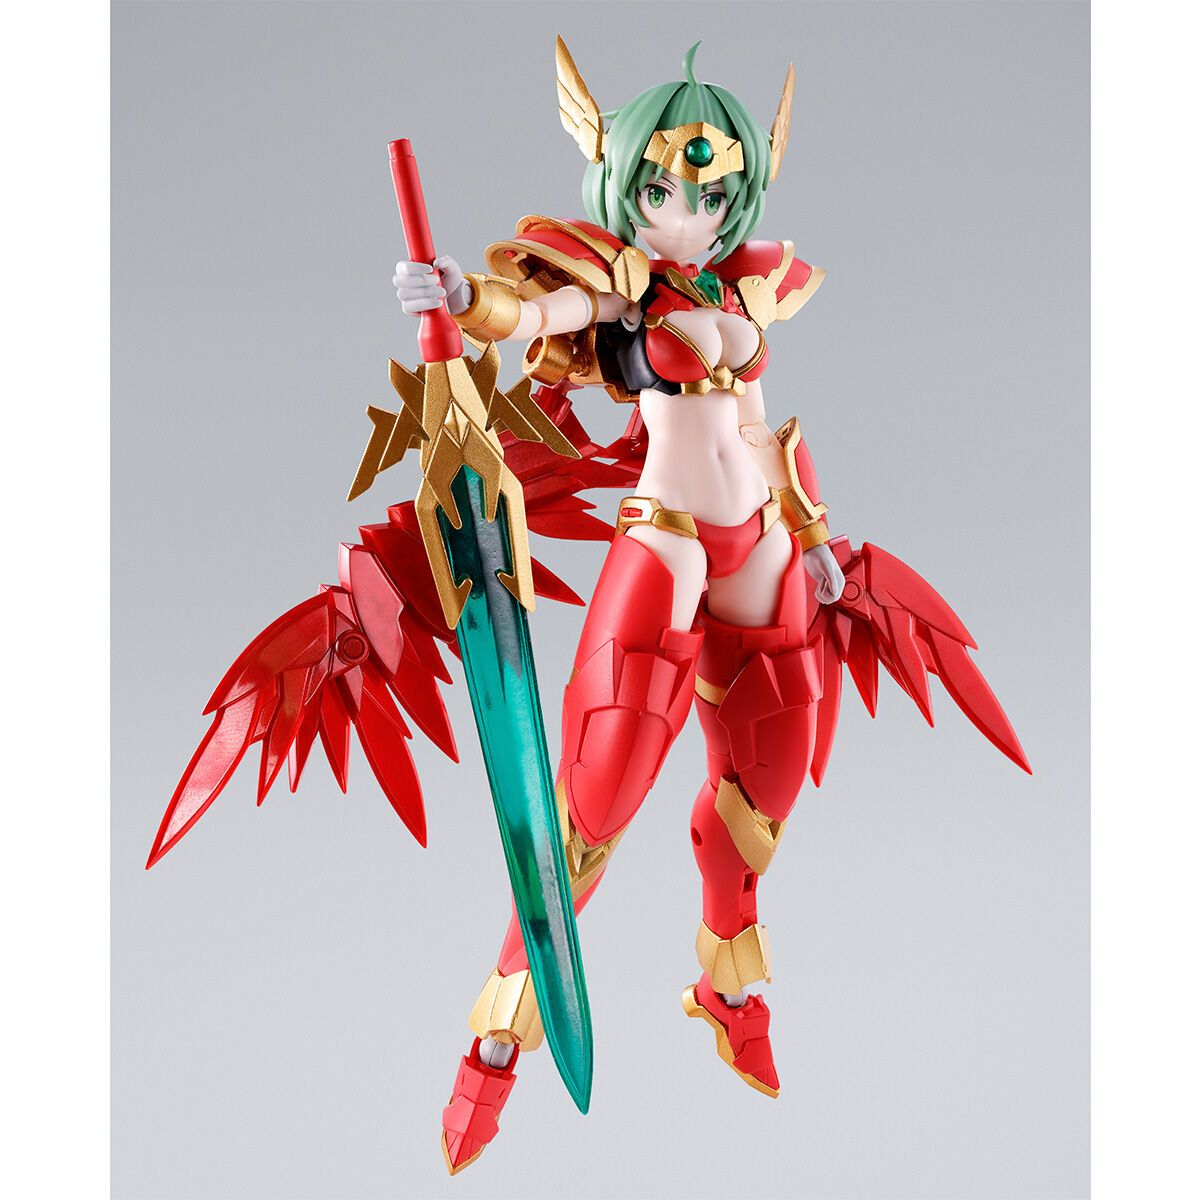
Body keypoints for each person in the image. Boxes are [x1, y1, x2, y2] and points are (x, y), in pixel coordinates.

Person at [394, 39, 846, 1173]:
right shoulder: (625, 284)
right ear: (621, 182)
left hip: (760, 544)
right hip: (669, 541)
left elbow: (759, 426)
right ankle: (496, 1042)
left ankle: (725, 983)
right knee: (589, 810)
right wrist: (466, 298)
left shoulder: (742, 286)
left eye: (711, 196)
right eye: (660, 192)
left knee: (764, 797)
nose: (686, 215)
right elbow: (541, 312)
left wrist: (812, 536)